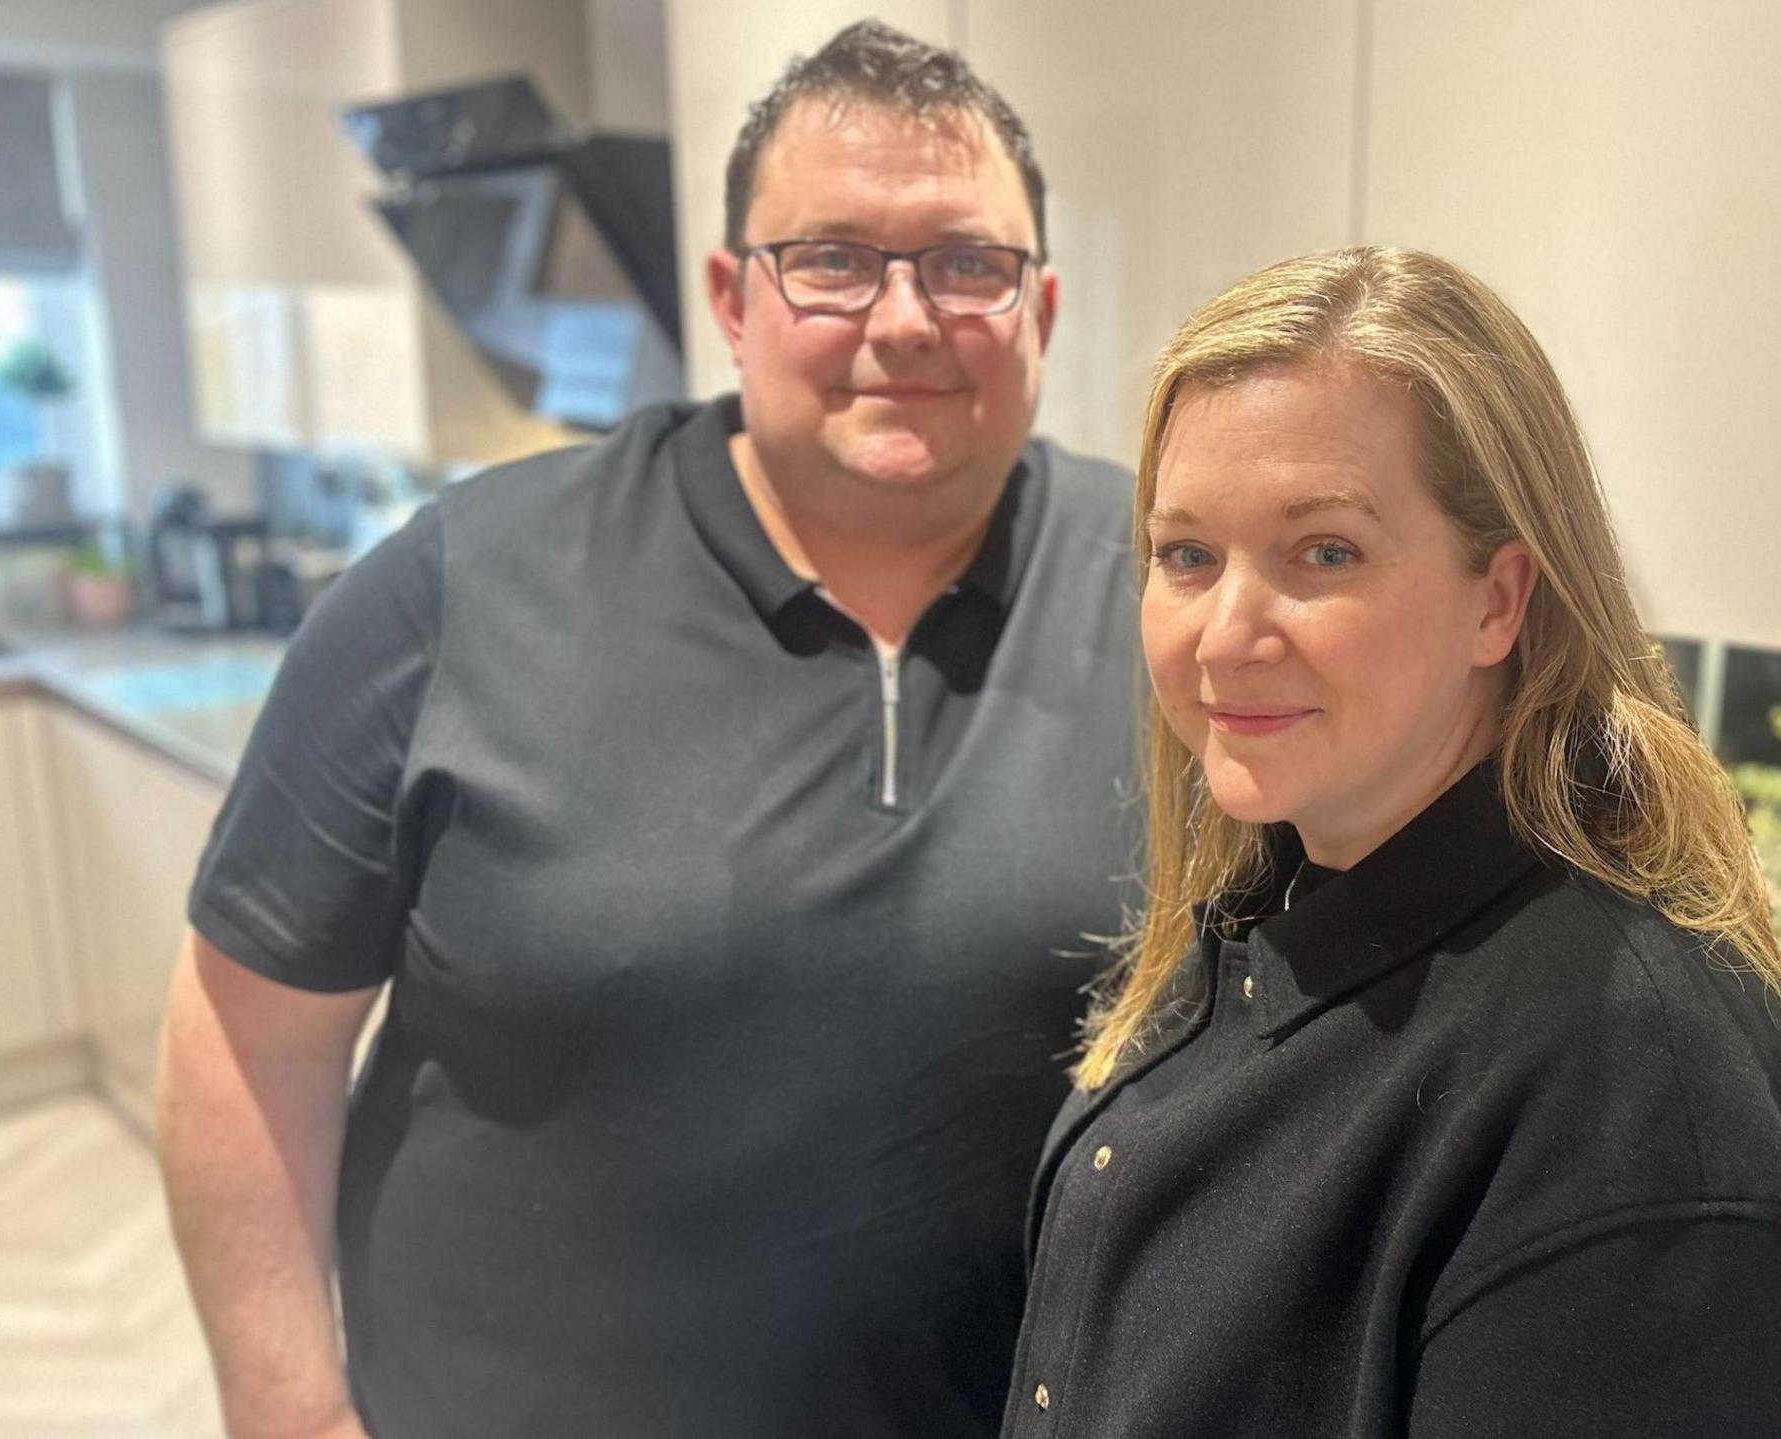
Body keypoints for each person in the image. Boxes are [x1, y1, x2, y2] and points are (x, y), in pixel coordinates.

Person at [157, 22, 1138, 1438]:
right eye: (836, 258)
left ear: (1041, 308)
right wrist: (293, 1416)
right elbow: (247, 1034)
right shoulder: (455, 587)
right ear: (732, 298)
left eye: (967, 263)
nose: (907, 318)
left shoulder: (1180, 595)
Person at [1003, 247, 1781, 1438]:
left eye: (1321, 551)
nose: (1224, 633)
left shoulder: (1638, 1123)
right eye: (1187, 555)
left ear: (1498, 599)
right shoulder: (1280, 904)